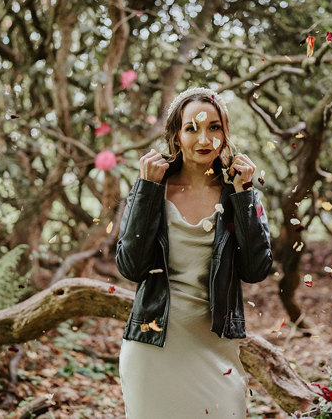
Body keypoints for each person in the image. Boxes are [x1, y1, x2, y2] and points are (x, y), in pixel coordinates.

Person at [116, 87, 274, 418]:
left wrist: (244, 196)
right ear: (176, 135)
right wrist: (147, 190)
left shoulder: (241, 192)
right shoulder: (151, 187)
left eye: (214, 127)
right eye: (192, 128)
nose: (204, 138)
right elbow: (131, 267)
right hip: (152, 348)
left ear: (225, 133)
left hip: (216, 348)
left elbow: (256, 270)